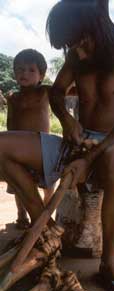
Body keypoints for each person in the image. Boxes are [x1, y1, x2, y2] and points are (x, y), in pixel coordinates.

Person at [0, 0, 114, 291]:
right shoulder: (76, 53)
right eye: (71, 46)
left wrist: (91, 157)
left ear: (98, 25)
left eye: (81, 41)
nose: (78, 52)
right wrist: (69, 122)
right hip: (75, 143)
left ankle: (110, 263)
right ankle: (42, 229)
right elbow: (57, 93)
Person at [6, 49, 54, 229]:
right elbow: (10, 122)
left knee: (47, 184)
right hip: (17, 149)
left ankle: (46, 212)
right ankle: (21, 215)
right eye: (19, 69)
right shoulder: (13, 98)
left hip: (41, 148)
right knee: (19, 185)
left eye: (31, 70)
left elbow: (67, 91)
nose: (24, 73)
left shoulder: (45, 92)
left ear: (41, 75)